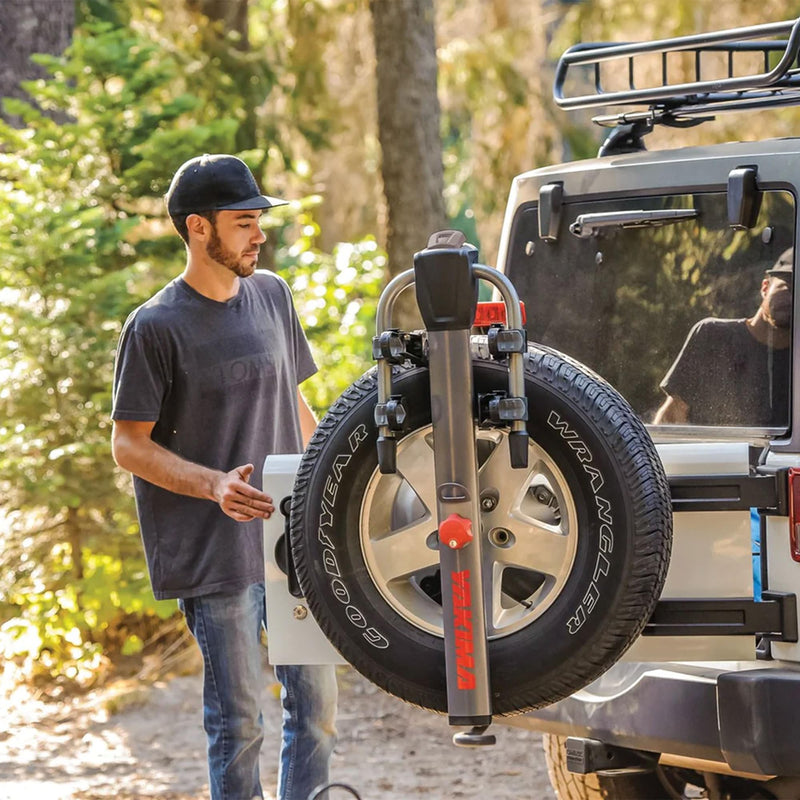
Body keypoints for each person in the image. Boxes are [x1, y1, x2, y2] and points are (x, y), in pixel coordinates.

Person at [110, 153, 337, 800]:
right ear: (198, 228)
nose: (259, 234)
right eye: (244, 222)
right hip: (213, 556)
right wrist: (213, 485)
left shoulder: (271, 295)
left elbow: (297, 403)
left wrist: (332, 486)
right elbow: (128, 446)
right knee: (239, 723)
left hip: (289, 543)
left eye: (259, 220)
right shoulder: (154, 328)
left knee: (316, 708)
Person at [654, 248, 793, 427]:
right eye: (787, 288)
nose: (793, 299)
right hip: (712, 454)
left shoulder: (795, 361)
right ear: (765, 288)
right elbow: (672, 417)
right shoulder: (713, 335)